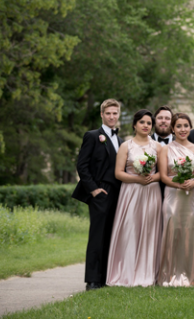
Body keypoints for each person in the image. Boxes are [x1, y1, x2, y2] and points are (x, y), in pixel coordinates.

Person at [106, 109, 163, 287]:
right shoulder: (126, 146)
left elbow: (162, 173)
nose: (146, 126)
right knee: (130, 230)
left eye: (148, 123)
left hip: (151, 192)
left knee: (149, 231)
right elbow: (118, 173)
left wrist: (151, 178)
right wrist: (138, 179)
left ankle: (147, 274)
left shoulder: (157, 147)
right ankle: (126, 273)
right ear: (134, 124)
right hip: (130, 192)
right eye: (142, 122)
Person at [72, 98, 123, 290]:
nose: (111, 116)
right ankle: (93, 280)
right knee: (97, 236)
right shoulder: (93, 136)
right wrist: (93, 189)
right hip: (100, 193)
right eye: (108, 113)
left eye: (115, 113)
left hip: (118, 194)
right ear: (102, 115)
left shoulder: (120, 140)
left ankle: (105, 278)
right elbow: (82, 165)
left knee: (111, 236)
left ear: (118, 116)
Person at [157, 112, 194, 287]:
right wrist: (178, 184)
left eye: (186, 126)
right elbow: (163, 176)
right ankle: (169, 275)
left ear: (190, 128)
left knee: (191, 233)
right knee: (173, 232)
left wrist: (192, 182)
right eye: (179, 126)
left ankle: (191, 275)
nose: (183, 129)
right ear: (172, 129)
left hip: (193, 196)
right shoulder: (165, 149)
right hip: (173, 196)